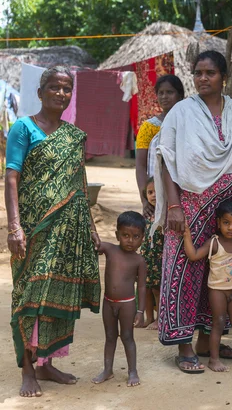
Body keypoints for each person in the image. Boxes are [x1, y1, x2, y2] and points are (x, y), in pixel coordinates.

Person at [151, 50, 232, 373]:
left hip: (229, 204)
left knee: (221, 272)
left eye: (210, 73)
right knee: (184, 267)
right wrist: (173, 205)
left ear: (223, 77)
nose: (202, 78)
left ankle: (206, 340)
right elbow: (166, 159)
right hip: (189, 203)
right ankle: (184, 344)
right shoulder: (181, 112)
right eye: (198, 72)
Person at [5, 66, 101, 397]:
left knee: (58, 295)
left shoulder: (73, 135)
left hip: (67, 232)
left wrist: (90, 227)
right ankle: (28, 369)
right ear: (41, 91)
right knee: (30, 297)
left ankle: (45, 364)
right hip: (33, 230)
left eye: (67, 89)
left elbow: (79, 182)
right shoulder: (23, 128)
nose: (61, 94)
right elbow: (12, 178)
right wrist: (14, 225)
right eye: (55, 88)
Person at [183, 200, 232, 372]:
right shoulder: (213, 243)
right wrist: (186, 236)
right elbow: (193, 255)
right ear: (218, 223)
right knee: (218, 323)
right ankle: (214, 359)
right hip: (217, 291)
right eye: (226, 223)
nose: (230, 228)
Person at [92, 211, 147, 387]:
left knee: (127, 337)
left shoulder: (139, 260)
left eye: (135, 236)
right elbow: (94, 244)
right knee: (110, 336)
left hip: (127, 305)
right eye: (125, 235)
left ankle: (132, 371)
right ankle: (107, 370)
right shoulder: (110, 250)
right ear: (117, 235)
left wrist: (140, 310)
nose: (130, 240)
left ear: (142, 238)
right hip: (108, 302)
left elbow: (142, 287)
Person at [135, 75, 184, 218]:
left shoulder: (187, 125)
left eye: (170, 92)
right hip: (156, 196)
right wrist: (145, 200)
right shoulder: (149, 127)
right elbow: (141, 166)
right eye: (160, 93)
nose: (164, 97)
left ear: (180, 95)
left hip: (183, 193)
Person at [138, 177, 163, 329]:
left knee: (157, 289)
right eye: (150, 192)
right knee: (145, 288)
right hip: (146, 258)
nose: (153, 195)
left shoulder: (164, 215)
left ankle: (159, 320)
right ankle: (148, 318)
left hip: (159, 260)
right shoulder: (145, 215)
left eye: (157, 192)